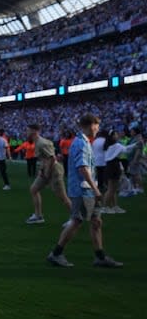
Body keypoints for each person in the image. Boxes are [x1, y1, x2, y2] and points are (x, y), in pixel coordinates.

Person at [46, 113, 122, 269]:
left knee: (96, 221)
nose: (98, 129)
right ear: (89, 125)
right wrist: (96, 190)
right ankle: (56, 253)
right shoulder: (81, 143)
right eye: (97, 125)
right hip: (83, 190)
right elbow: (83, 168)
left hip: (86, 189)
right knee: (77, 221)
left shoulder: (84, 142)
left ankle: (100, 256)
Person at [24, 123, 70, 224]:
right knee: (34, 189)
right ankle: (38, 216)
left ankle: (75, 217)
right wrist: (42, 170)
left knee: (62, 197)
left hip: (54, 171)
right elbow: (45, 159)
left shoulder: (42, 143)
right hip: (46, 170)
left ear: (34, 131)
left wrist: (47, 173)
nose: (26, 133)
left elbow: (51, 158)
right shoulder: (37, 142)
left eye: (28, 130)